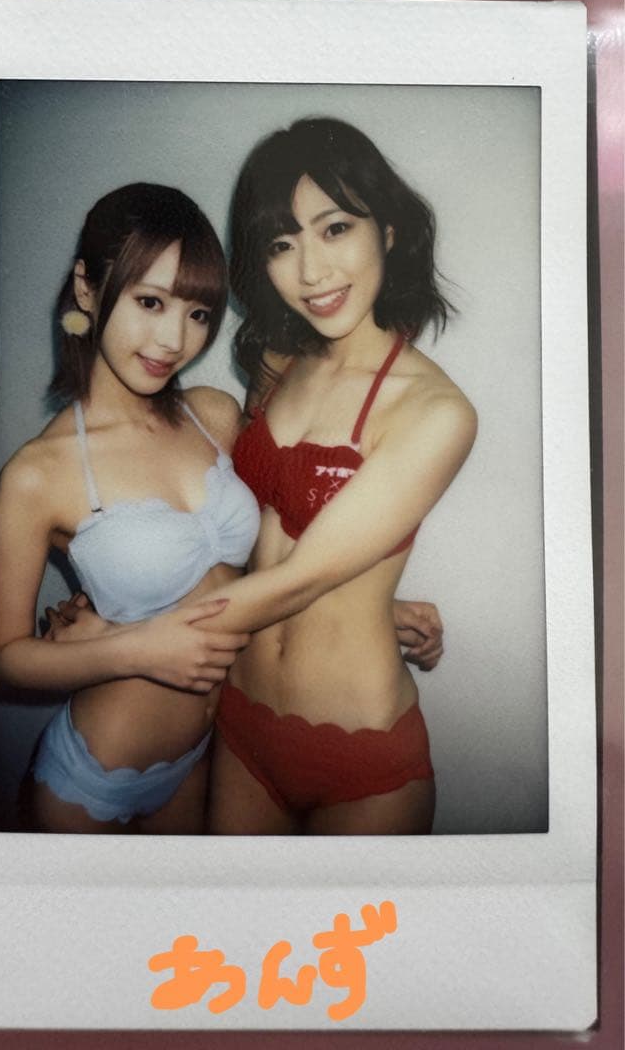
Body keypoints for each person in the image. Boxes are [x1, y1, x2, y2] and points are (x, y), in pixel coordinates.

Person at [161, 116, 476, 835]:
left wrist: (113, 635)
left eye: (334, 229)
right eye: (281, 244)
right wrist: (371, 603)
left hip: (361, 758)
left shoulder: (437, 411)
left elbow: (298, 579)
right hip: (241, 724)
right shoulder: (276, 365)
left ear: (386, 231)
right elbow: (261, 545)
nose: (310, 271)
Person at [0, 183, 258, 834]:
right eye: (150, 302)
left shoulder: (214, 416)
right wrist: (132, 649)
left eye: (198, 313)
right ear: (86, 288)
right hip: (90, 778)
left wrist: (362, 610)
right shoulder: (38, 473)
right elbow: (5, 656)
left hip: (197, 755)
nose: (174, 339)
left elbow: (255, 576)